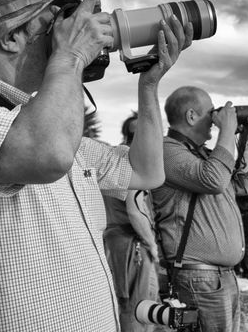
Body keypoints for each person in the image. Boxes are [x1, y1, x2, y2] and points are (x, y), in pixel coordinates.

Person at [0, 0, 191, 331]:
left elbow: (148, 172)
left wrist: (149, 84)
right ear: (12, 38)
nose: (67, 35)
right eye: (53, 27)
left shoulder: (61, 132)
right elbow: (47, 154)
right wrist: (72, 54)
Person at [151, 86, 248, 332]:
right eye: (210, 113)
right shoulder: (166, 150)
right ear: (192, 116)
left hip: (220, 277)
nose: (215, 120)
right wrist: (226, 129)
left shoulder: (203, 155)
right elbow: (214, 180)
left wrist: (243, 141)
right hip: (199, 279)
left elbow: (240, 186)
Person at [103, 112, 160, 332]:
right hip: (132, 245)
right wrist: (152, 245)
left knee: (125, 306)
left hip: (115, 243)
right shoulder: (133, 160)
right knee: (140, 310)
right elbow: (135, 211)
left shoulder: (114, 158)